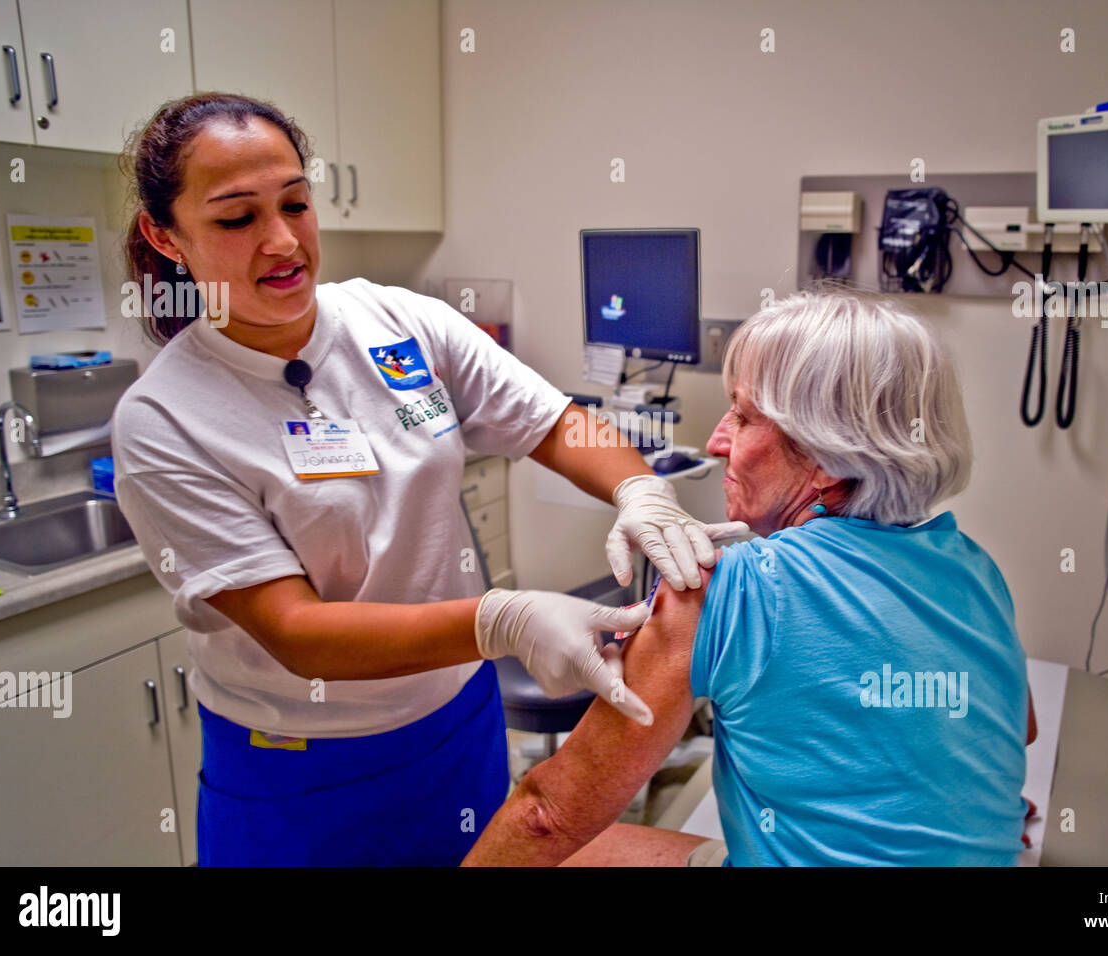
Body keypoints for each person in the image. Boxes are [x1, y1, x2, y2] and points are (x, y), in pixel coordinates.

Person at [110, 92, 745, 866]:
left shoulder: (398, 322)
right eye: (237, 218)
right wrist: (499, 620)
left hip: (456, 721)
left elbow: (553, 422)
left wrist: (640, 490)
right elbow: (297, 632)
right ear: (163, 233)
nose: (282, 241)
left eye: (296, 204)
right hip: (302, 762)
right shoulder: (165, 420)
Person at [464, 289, 1034, 867]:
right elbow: (1017, 727)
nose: (716, 441)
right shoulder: (975, 569)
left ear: (827, 457)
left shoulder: (724, 588)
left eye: (742, 416)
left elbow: (547, 817)